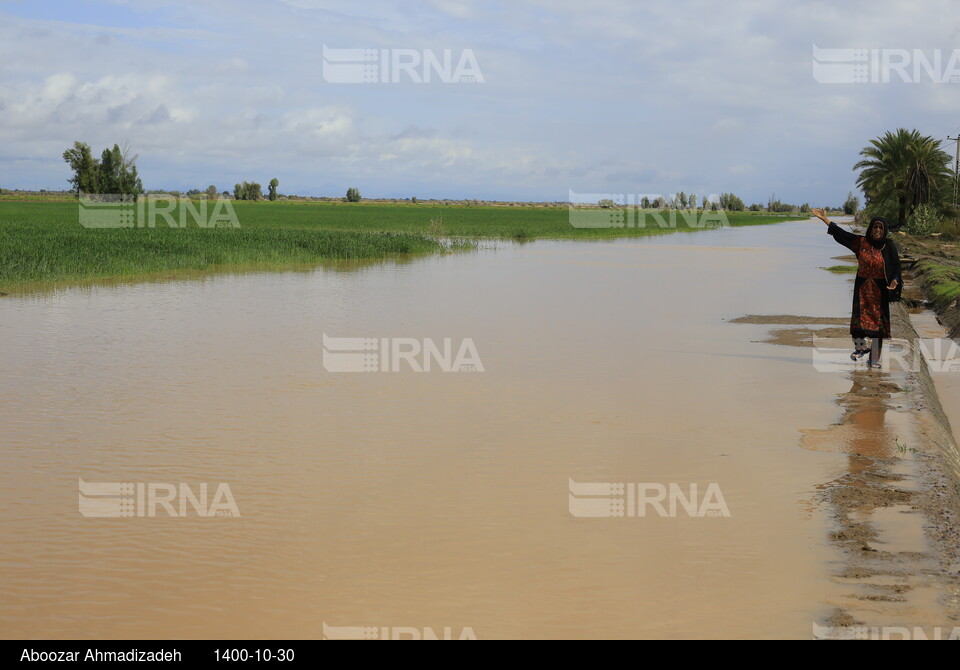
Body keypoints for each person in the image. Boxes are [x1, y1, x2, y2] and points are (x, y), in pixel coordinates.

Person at [811, 208, 901, 368]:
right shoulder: (861, 243)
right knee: (858, 324)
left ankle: (874, 361)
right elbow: (842, 235)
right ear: (870, 228)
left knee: (878, 328)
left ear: (885, 230)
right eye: (875, 227)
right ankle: (861, 348)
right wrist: (825, 220)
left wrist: (895, 280)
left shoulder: (889, 246)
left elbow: (896, 266)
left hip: (880, 291)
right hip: (862, 289)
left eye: (881, 228)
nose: (878, 230)